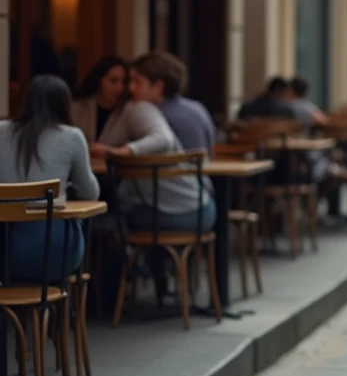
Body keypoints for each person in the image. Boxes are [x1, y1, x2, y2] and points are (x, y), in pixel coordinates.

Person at [94, 55, 213, 234]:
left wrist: (119, 152)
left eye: (136, 82)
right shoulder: (197, 109)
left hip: (172, 203)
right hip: (202, 197)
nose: (129, 88)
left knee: (117, 213)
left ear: (158, 87)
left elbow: (162, 139)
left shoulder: (146, 112)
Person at [0, 75, 100, 282]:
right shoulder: (72, 136)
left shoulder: (1, 131)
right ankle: (59, 312)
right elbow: (91, 193)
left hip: (4, 252)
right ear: (65, 104)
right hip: (53, 253)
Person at [72, 54, 129, 143]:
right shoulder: (78, 107)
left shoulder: (127, 111)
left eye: (124, 82)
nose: (120, 87)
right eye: (113, 81)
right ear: (99, 80)